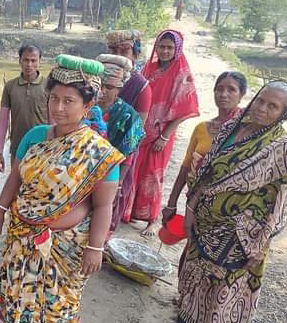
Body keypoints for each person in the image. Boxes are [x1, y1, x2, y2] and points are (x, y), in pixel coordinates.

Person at [0, 58, 124, 323]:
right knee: (19, 287)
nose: (58, 108)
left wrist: (95, 247)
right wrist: (0, 210)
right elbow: (16, 178)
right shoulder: (35, 136)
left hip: (66, 245)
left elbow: (104, 206)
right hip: (22, 234)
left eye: (69, 101)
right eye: (54, 98)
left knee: (58, 298)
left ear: (88, 105)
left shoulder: (99, 153)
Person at [178, 81, 287, 323]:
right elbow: (206, 172)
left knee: (225, 285)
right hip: (206, 220)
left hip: (245, 232)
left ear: (283, 113)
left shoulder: (283, 148)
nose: (263, 109)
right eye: (261, 101)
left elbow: (283, 197)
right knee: (197, 275)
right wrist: (190, 208)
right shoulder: (231, 128)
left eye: (273, 106)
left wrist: (262, 241)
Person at [125, 29, 199, 237]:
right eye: (161, 47)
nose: (165, 51)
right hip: (141, 131)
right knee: (135, 169)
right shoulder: (149, 68)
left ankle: (151, 219)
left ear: (177, 49)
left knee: (154, 175)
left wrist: (165, 135)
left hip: (162, 134)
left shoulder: (181, 73)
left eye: (169, 47)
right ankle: (130, 212)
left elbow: (184, 109)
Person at [162, 71, 247, 225]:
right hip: (196, 205)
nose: (223, 94)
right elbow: (186, 167)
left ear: (241, 95)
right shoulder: (202, 128)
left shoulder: (246, 130)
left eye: (231, 90)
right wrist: (171, 203)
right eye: (219, 89)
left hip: (228, 210)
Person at [96, 54, 145, 234]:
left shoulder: (128, 115)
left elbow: (128, 155)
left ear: (119, 88)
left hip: (113, 174)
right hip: (82, 172)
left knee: (106, 215)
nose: (102, 91)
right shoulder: (83, 108)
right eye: (99, 85)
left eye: (108, 87)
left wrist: (118, 183)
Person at [0, 44, 49, 172]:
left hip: (42, 148)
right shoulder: (10, 86)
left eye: (33, 60)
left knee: (38, 188)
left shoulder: (48, 86)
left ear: (39, 62)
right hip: (17, 149)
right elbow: (3, 121)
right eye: (25, 60)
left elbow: (53, 121)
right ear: (20, 61)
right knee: (16, 186)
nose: (29, 64)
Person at [105, 30, 152, 123]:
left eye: (124, 51)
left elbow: (138, 126)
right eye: (114, 51)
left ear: (135, 55)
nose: (118, 56)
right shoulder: (97, 77)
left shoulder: (140, 86)